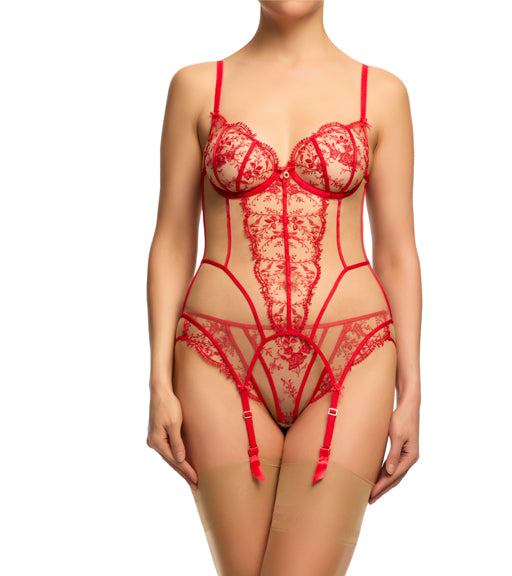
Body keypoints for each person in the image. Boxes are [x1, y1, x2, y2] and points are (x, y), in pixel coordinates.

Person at [146, 1, 421, 574]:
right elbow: (171, 241)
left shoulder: (382, 93)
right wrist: (158, 381)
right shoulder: (195, 87)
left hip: (353, 358)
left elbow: (397, 252)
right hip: (216, 358)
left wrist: (412, 392)